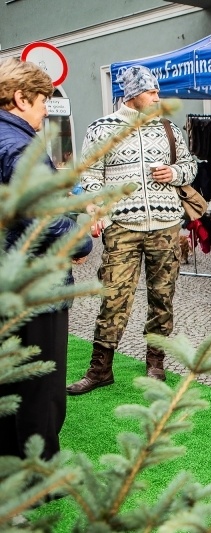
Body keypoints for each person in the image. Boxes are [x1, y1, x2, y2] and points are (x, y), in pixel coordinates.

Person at [67, 65, 197, 395]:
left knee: (162, 297)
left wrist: (174, 172)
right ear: (133, 95)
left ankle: (156, 362)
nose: (158, 97)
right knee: (114, 298)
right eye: (152, 92)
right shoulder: (101, 129)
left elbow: (190, 166)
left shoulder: (169, 128)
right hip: (122, 227)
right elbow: (90, 174)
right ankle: (100, 370)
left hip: (166, 225)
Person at [0, 58, 92, 459]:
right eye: (41, 103)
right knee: (40, 384)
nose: (44, 114)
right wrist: (83, 240)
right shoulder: (21, 145)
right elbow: (44, 225)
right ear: (20, 98)